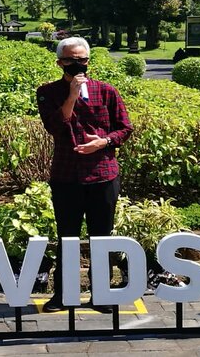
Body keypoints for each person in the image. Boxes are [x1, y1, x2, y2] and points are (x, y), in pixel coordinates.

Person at [36, 37, 133, 313]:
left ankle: (101, 294)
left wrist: (103, 142)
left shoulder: (106, 91)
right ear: (59, 62)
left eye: (82, 59)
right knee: (67, 236)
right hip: (66, 176)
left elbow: (125, 129)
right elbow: (54, 126)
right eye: (70, 59)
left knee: (101, 236)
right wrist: (72, 96)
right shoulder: (47, 92)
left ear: (89, 61)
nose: (77, 64)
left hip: (103, 175)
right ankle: (63, 295)